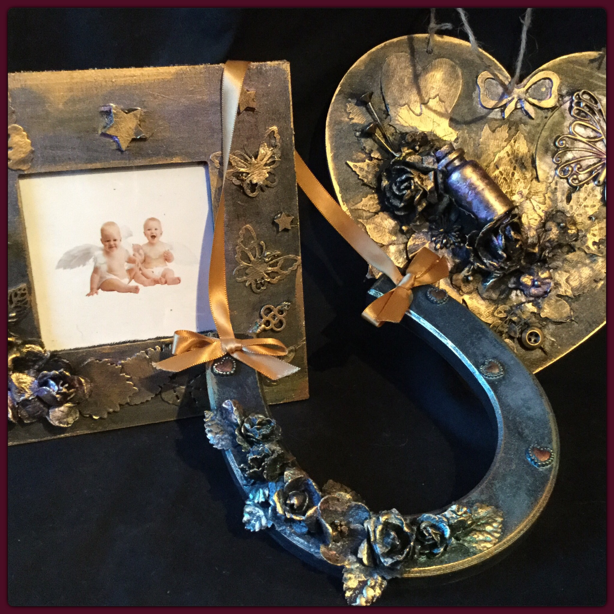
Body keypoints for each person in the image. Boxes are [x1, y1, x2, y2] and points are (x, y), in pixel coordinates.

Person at [86, 222, 140, 296]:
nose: (111, 243)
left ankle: (144, 280)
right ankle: (128, 288)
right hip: (108, 280)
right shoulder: (101, 256)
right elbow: (96, 274)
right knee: (112, 282)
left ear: (120, 239)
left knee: (135, 268)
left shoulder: (122, 250)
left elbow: (128, 258)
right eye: (107, 241)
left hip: (124, 277)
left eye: (114, 240)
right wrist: (93, 288)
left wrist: (134, 260)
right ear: (102, 241)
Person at [136, 217, 181, 286]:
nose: (152, 231)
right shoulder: (143, 247)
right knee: (144, 272)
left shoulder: (164, 246)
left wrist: (170, 257)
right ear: (145, 234)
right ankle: (157, 280)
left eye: (156, 229)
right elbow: (141, 261)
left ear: (161, 233)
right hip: (150, 270)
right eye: (149, 229)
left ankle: (170, 279)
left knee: (169, 271)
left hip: (162, 269)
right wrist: (138, 259)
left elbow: (170, 260)